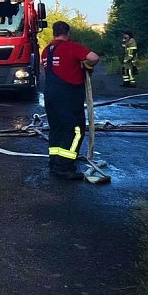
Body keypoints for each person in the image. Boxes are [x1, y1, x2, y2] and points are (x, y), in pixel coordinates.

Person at [41, 21, 100, 179]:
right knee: (75, 131)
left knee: (56, 129)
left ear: (54, 33)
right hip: (68, 96)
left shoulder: (46, 51)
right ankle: (65, 166)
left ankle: (54, 162)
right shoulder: (72, 47)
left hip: (50, 94)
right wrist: (87, 66)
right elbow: (93, 58)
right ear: (68, 33)